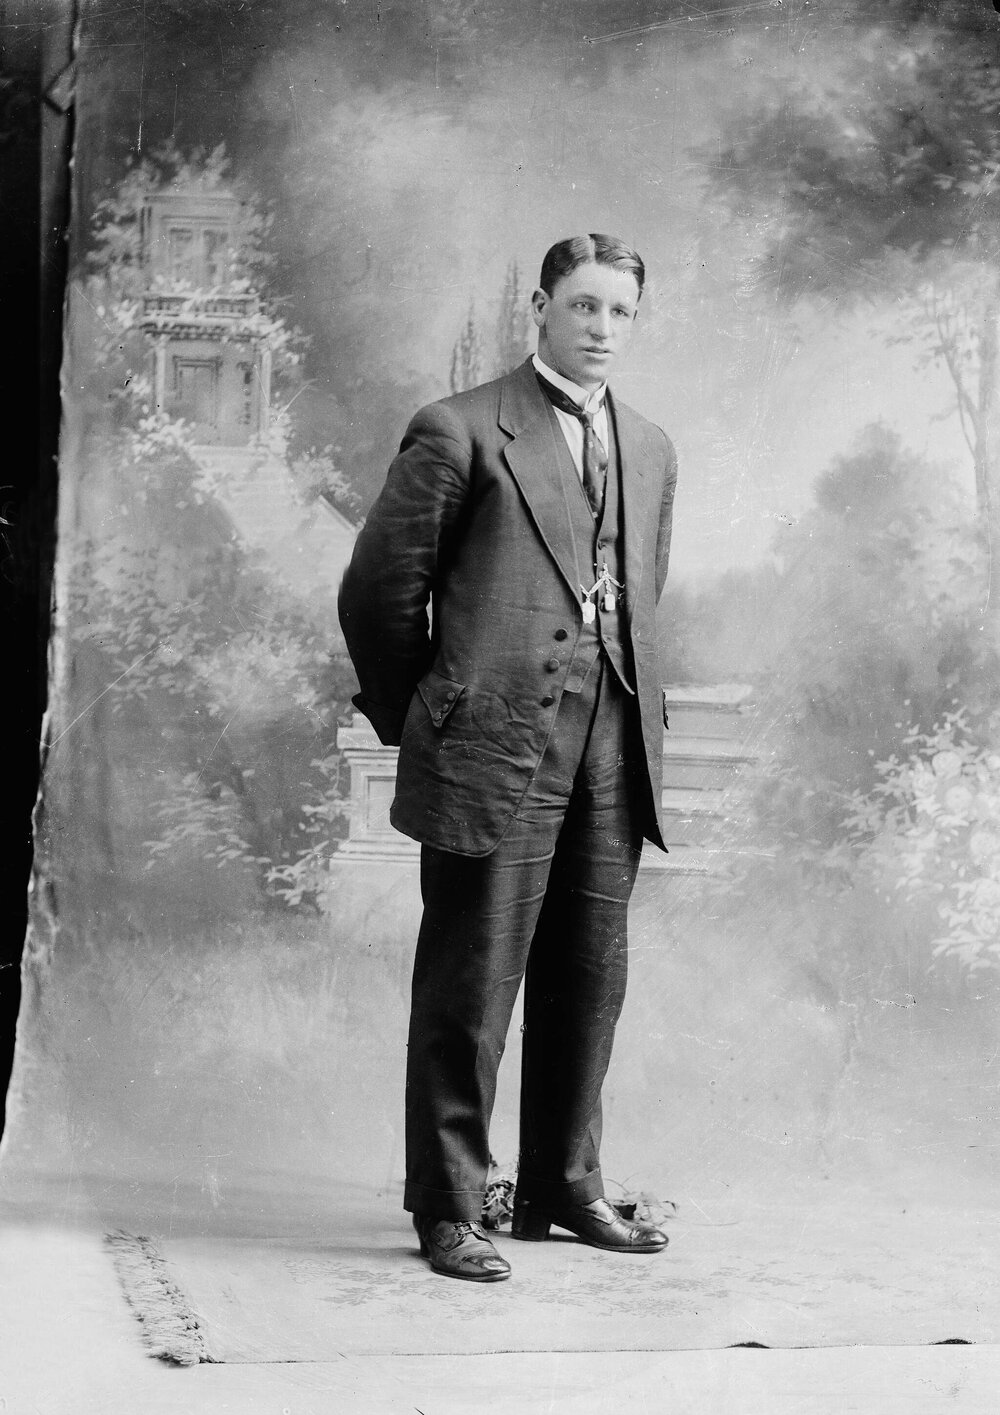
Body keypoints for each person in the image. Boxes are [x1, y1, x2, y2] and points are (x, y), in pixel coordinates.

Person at [339, 234, 678, 1282]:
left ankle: (562, 1187)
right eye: (582, 307)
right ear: (538, 307)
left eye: (619, 312)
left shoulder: (653, 445)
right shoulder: (459, 430)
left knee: (590, 975)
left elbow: (643, 595)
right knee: (470, 983)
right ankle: (447, 1203)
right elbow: (377, 597)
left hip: (612, 745)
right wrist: (431, 721)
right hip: (495, 750)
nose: (601, 329)